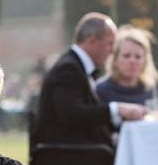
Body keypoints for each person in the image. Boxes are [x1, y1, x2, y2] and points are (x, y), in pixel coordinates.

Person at [31, 12, 146, 152]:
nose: (111, 52)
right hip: (67, 158)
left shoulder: (75, 66)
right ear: (92, 41)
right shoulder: (68, 69)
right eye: (110, 44)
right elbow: (71, 114)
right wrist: (117, 109)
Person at [94, 26, 158, 108]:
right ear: (115, 59)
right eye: (126, 56)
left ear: (145, 60)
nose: (132, 61)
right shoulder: (100, 90)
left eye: (138, 57)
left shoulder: (149, 88)